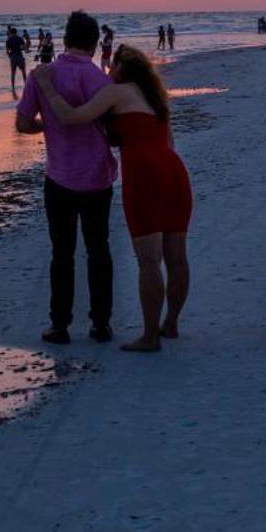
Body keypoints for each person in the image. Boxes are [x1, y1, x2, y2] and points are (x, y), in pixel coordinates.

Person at [35, 45, 191, 353]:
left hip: (144, 175)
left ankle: (150, 337)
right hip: (174, 171)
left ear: (121, 67)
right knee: (176, 257)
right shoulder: (155, 98)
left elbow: (71, 117)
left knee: (149, 259)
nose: (107, 71)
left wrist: (46, 85)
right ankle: (170, 323)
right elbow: (168, 140)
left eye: (112, 65)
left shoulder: (116, 93)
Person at [16, 11, 117, 344]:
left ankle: (59, 325)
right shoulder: (100, 79)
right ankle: (101, 324)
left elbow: (23, 124)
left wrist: (50, 126)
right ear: (93, 42)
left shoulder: (43, 75)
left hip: (58, 176)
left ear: (65, 38)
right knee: (98, 250)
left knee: (62, 253)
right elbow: (112, 129)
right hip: (97, 177)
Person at [5, 26, 29, 95]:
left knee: (13, 73)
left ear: (11, 33)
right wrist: (26, 50)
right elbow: (24, 47)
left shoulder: (8, 40)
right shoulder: (20, 38)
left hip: (13, 57)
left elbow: (7, 51)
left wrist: (10, 56)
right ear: (16, 32)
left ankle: (13, 87)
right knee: (23, 72)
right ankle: (26, 85)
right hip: (20, 56)